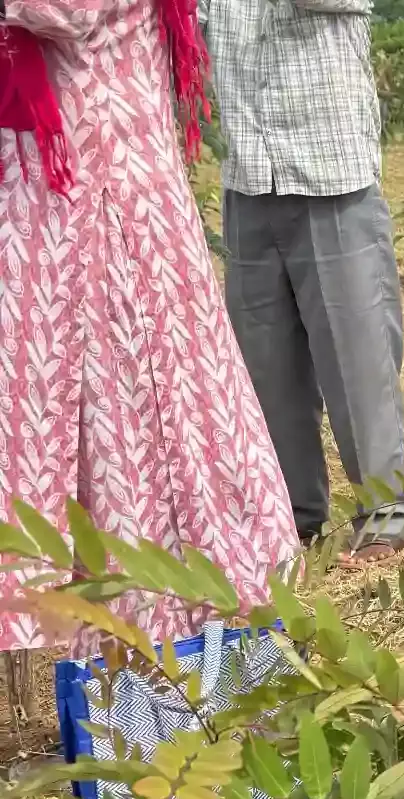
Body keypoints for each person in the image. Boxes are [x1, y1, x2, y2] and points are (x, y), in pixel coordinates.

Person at [0, 0, 298, 646]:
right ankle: (135, 679)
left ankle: (178, 670)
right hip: (69, 228)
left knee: (145, 447)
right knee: (105, 457)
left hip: (114, 229)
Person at [202, 0, 404, 565]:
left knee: (358, 352)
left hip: (329, 162)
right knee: (264, 363)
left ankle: (384, 513)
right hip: (247, 169)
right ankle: (289, 517)